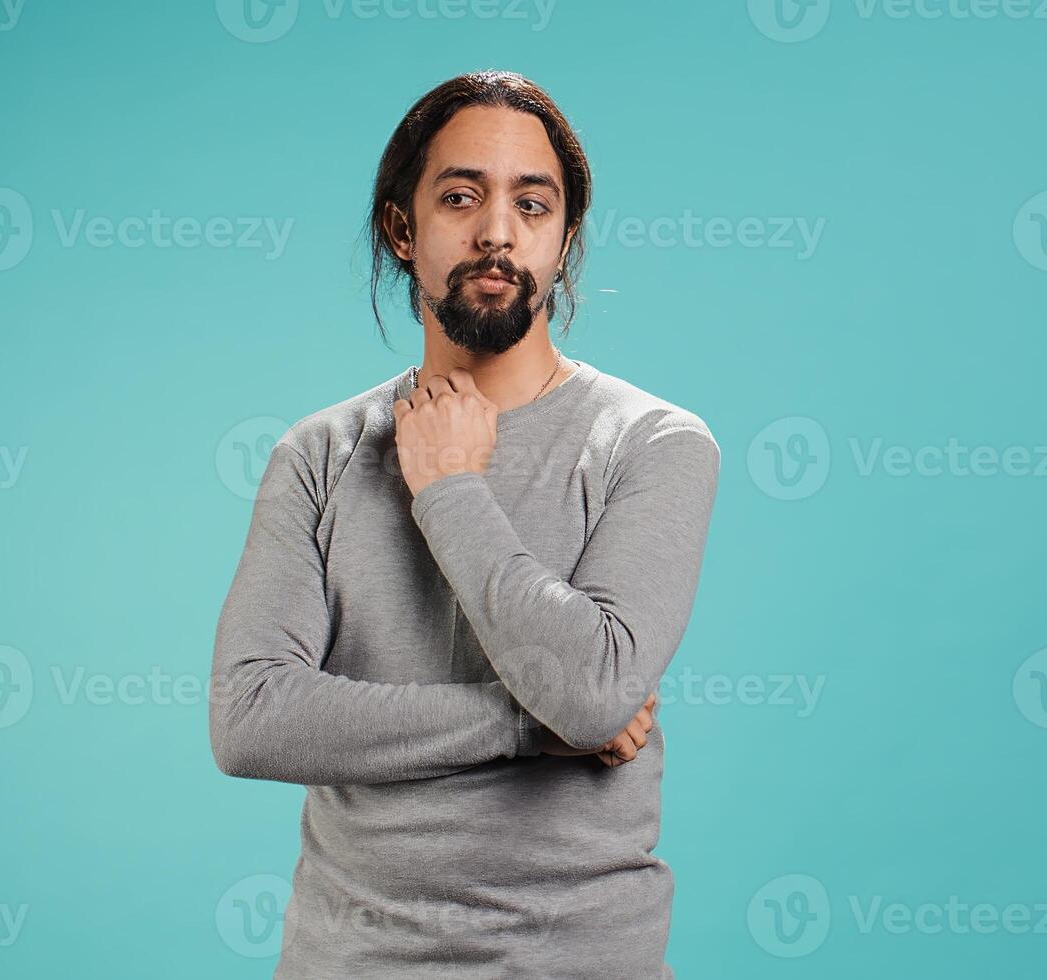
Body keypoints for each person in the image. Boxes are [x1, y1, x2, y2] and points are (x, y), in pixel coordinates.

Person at [209, 69, 720, 978]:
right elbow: (250, 719)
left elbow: (596, 693)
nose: (496, 233)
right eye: (460, 196)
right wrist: (528, 725)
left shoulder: (653, 443)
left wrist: (448, 487)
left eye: (533, 204)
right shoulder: (319, 454)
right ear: (402, 230)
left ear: (564, 242)